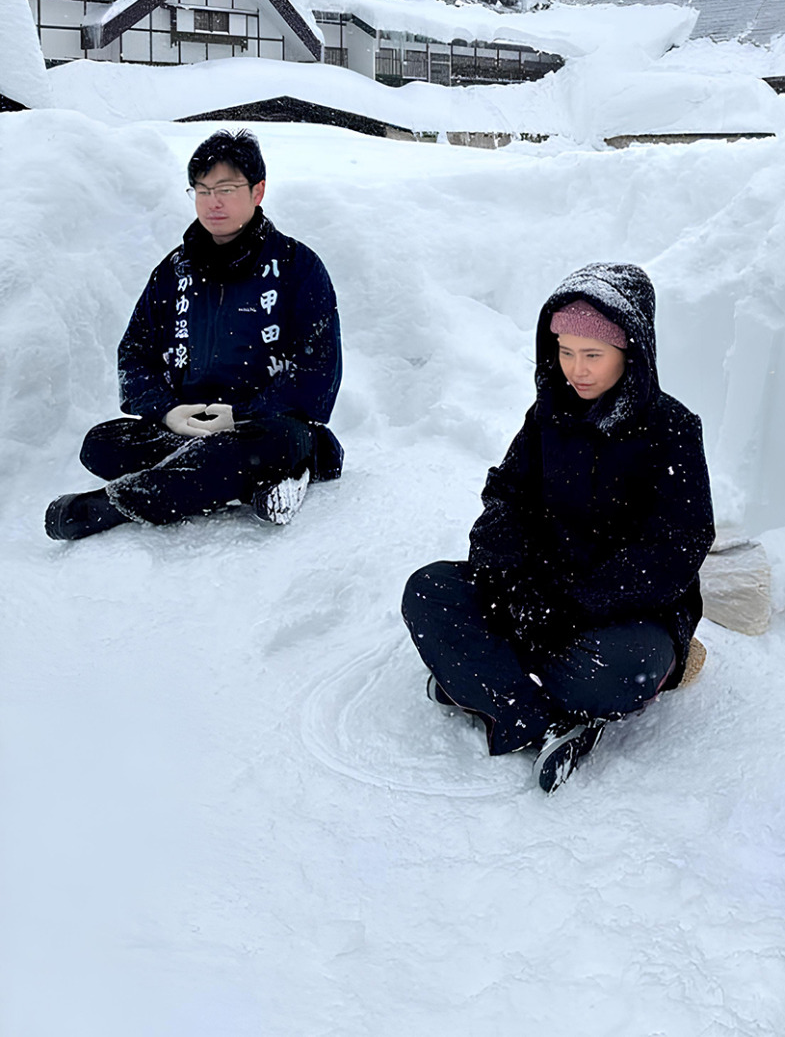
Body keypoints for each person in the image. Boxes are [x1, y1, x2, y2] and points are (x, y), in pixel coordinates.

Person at [402, 261, 714, 792]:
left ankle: (485, 683)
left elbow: (677, 546)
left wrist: (574, 604)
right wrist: (510, 582)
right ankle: (541, 716)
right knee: (429, 592)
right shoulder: (547, 415)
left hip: (621, 614)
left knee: (625, 669)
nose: (577, 370)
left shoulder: (673, 429)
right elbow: (506, 498)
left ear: (630, 353)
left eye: (593, 355)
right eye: (565, 353)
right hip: (536, 592)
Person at [45, 128, 343, 541]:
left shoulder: (298, 266)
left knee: (271, 443)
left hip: (266, 425)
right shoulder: (173, 271)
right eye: (201, 190)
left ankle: (118, 504)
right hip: (189, 425)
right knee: (101, 444)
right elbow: (134, 353)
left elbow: (318, 371)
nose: (212, 202)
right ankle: (251, 479)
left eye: (225, 188)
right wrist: (169, 412)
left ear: (258, 191)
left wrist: (240, 415)